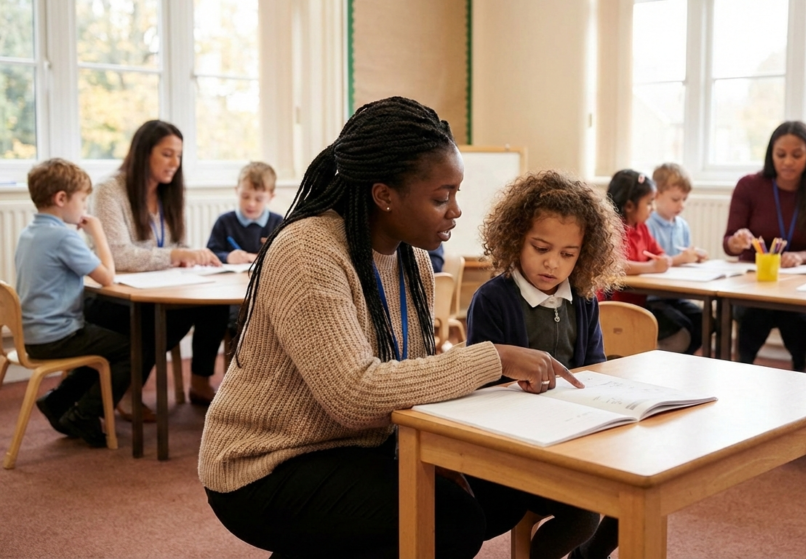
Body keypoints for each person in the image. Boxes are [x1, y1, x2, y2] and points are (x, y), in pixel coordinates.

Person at [198, 96, 582, 559]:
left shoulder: (412, 257)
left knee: (499, 493)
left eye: (456, 194)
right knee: (452, 521)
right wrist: (493, 357)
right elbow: (354, 394)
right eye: (441, 197)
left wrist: (434, 451)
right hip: (267, 463)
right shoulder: (308, 251)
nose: (455, 210)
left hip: (361, 446)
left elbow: (409, 373)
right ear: (384, 195)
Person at [466, 171, 624, 559]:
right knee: (584, 515)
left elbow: (594, 368)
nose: (552, 263)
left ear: (583, 254)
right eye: (540, 248)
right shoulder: (493, 299)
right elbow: (482, 379)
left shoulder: (583, 300)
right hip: (517, 449)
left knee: (638, 488)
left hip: (574, 441)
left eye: (568, 254)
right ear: (516, 238)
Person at [88, 120, 229, 411]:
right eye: (167, 154)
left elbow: (176, 246)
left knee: (214, 304)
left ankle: (200, 381)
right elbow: (117, 255)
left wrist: (190, 256)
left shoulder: (169, 193)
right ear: (143, 153)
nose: (175, 163)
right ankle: (127, 389)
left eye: (178, 155)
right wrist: (176, 255)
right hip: (111, 295)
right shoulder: (108, 191)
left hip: (155, 286)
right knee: (164, 317)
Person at [15, 159, 130, 447]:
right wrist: (98, 232)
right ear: (61, 198)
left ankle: (58, 400)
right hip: (56, 336)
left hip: (30, 335)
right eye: (83, 200)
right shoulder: (64, 237)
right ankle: (83, 414)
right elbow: (107, 277)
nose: (85, 209)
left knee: (100, 337)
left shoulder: (29, 233)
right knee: (129, 349)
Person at [722, 121, 806, 370]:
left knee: (797, 322)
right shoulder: (749, 186)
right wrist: (737, 242)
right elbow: (728, 243)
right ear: (770, 154)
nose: (787, 162)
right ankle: (739, 373)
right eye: (780, 154)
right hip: (753, 283)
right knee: (753, 318)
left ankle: (801, 378)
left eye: (797, 155)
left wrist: (801, 257)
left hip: (796, 287)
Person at [606, 169, 700, 354]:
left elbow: (659, 253)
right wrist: (651, 266)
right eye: (649, 203)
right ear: (630, 206)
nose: (652, 208)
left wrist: (663, 260)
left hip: (642, 300)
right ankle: (650, 356)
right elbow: (615, 265)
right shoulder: (613, 228)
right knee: (681, 332)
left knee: (698, 320)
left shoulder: (641, 228)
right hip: (621, 306)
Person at [644, 162, 710, 355]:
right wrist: (682, 258)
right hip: (655, 296)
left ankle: (684, 358)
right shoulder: (648, 225)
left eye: (684, 199)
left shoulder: (682, 225)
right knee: (682, 326)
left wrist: (695, 256)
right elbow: (656, 262)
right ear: (656, 195)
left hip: (676, 295)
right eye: (675, 199)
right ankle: (671, 357)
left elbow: (683, 254)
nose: (681, 205)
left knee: (704, 320)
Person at [206, 161, 284, 265]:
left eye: (259, 199)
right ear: (237, 191)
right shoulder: (224, 221)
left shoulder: (277, 222)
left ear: (271, 197)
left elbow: (286, 258)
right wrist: (228, 257)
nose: (251, 203)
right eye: (245, 196)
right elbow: (210, 253)